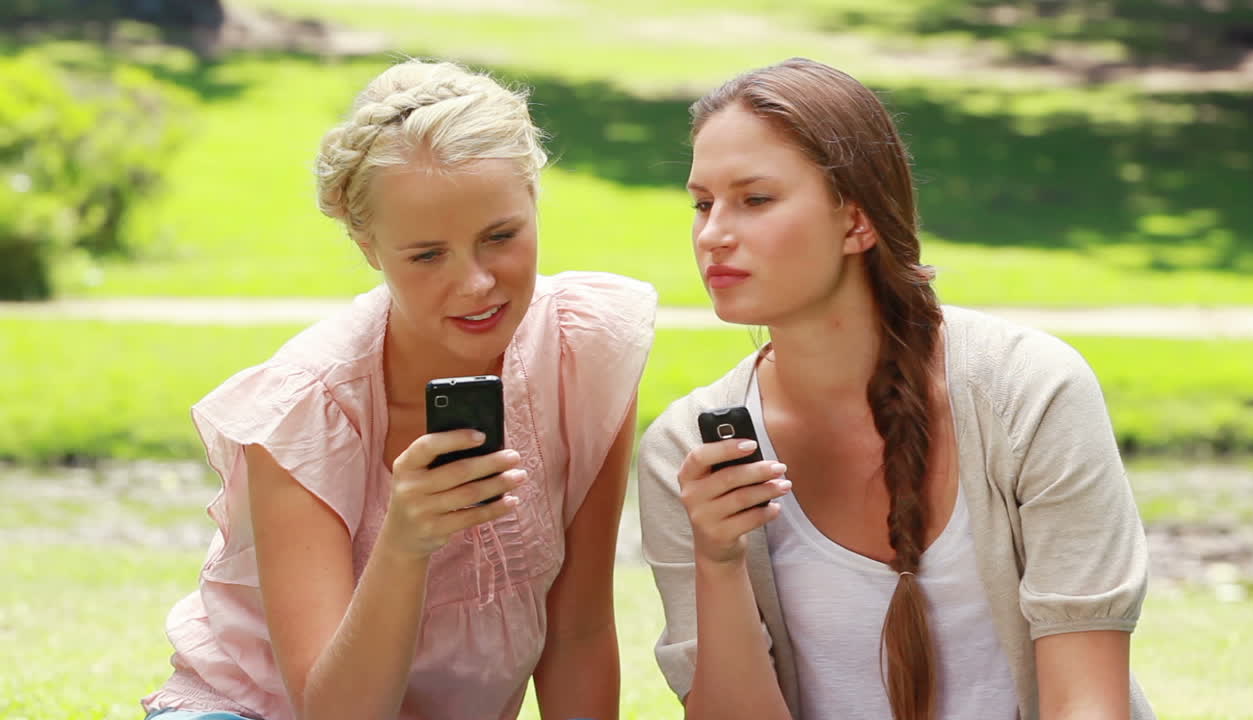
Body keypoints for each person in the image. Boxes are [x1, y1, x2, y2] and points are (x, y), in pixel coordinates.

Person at [637, 58, 1153, 720]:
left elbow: (1088, 702)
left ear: (858, 221)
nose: (712, 235)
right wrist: (718, 559)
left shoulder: (1027, 393)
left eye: (755, 199)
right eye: (703, 204)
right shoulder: (689, 449)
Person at [141, 59, 655, 720]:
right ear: (367, 246)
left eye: (500, 237)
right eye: (427, 254)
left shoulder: (584, 350)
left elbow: (578, 634)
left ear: (532, 198)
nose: (475, 285)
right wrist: (404, 544)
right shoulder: (306, 409)